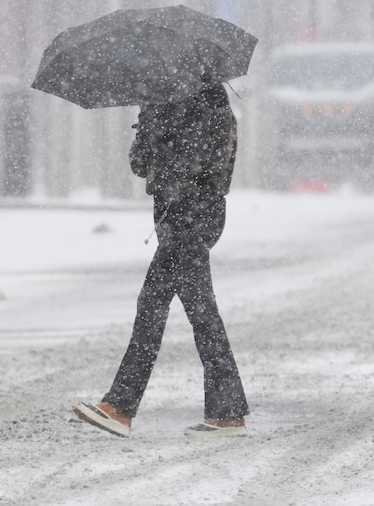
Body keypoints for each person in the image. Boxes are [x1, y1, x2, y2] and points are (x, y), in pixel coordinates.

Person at [73, 82, 249, 438]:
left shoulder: (208, 102)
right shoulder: (166, 100)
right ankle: (226, 411)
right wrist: (149, 125)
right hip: (178, 216)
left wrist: (163, 136)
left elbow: (201, 163)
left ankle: (121, 406)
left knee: (161, 308)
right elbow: (140, 164)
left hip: (191, 215)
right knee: (194, 310)